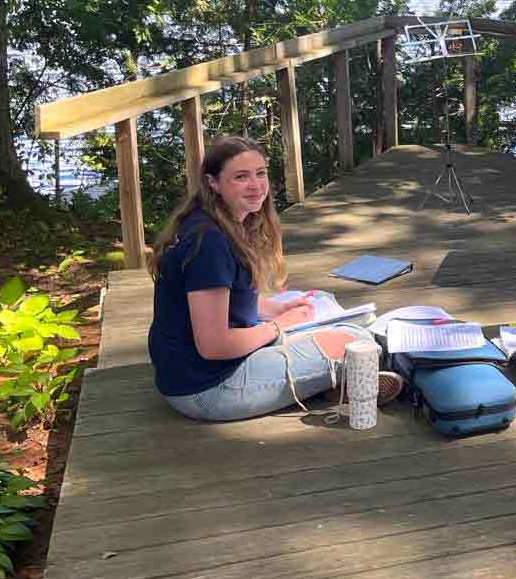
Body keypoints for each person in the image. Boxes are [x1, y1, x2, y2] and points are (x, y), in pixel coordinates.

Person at [148, 135, 402, 421]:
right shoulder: (209, 242)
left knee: (351, 325)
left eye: (261, 173)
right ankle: (342, 381)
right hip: (209, 389)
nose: (256, 186)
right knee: (359, 342)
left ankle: (330, 382)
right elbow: (214, 346)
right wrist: (279, 326)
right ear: (213, 183)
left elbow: (224, 302)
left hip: (195, 374)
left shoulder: (213, 223)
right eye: (241, 177)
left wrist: (275, 310)